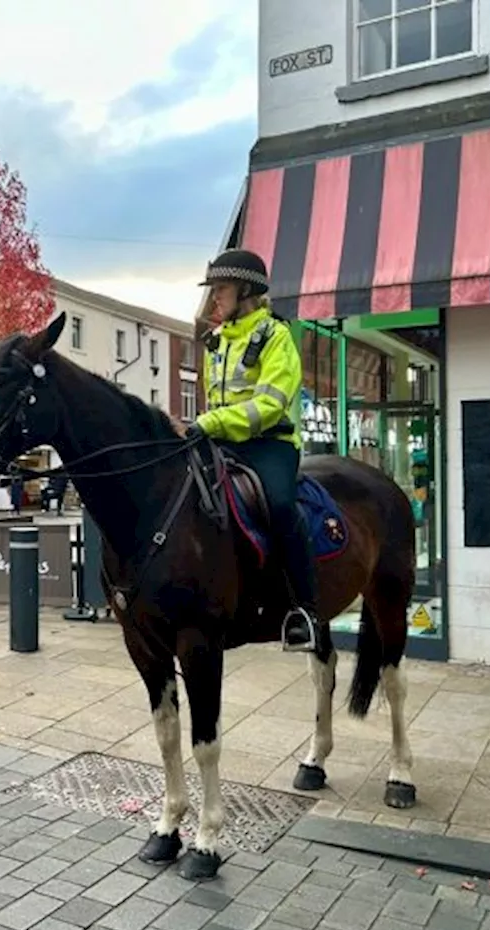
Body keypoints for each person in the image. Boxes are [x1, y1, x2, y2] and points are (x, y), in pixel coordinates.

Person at [188, 248, 318, 653]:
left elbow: (268, 406)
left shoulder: (276, 337)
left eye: (221, 290)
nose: (215, 300)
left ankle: (304, 610)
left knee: (279, 506)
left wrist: (209, 423)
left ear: (245, 290)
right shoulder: (218, 343)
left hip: (269, 445)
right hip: (222, 441)